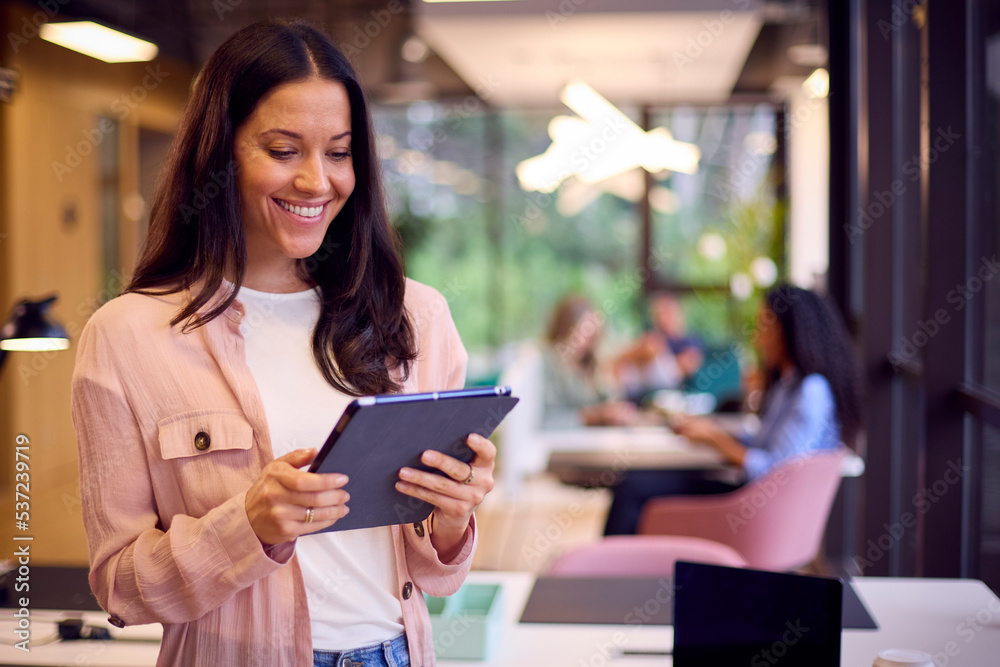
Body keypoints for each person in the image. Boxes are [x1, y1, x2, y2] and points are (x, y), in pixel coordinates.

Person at [70, 20, 492, 667]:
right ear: (221, 153)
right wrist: (247, 525)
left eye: (339, 151)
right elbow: (121, 587)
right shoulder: (128, 336)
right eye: (284, 149)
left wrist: (452, 516)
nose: (316, 181)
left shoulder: (415, 316)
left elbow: (438, 576)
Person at [603, 284, 863, 535]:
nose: (757, 337)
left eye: (765, 326)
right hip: (754, 500)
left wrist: (714, 438)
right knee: (636, 482)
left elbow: (772, 470)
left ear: (790, 330)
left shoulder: (810, 390)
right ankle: (625, 569)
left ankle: (612, 574)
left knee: (632, 489)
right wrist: (714, 432)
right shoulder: (790, 384)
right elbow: (768, 446)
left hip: (757, 511)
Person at [541, 294, 638, 427]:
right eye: (579, 332)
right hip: (565, 440)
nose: (584, 342)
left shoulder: (589, 361)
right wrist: (592, 417)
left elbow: (609, 396)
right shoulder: (549, 361)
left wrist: (614, 408)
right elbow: (548, 418)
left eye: (590, 336)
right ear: (564, 328)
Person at [612, 292, 703, 403]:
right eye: (659, 313)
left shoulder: (689, 342)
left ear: (678, 314)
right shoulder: (648, 338)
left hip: (672, 395)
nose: (663, 317)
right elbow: (622, 358)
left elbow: (688, 366)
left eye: (668, 312)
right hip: (639, 389)